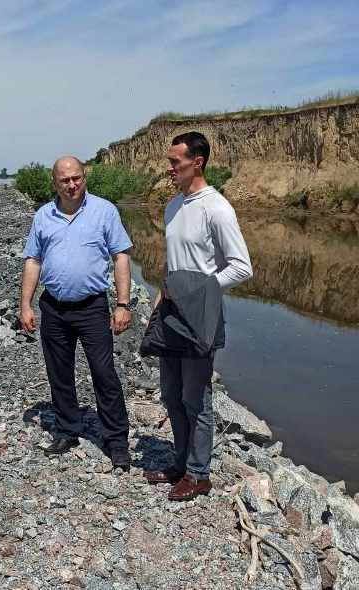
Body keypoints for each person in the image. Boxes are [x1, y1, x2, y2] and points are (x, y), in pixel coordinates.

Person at [144, 132, 252, 501]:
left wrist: (198, 292)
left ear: (198, 162)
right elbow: (171, 266)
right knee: (172, 396)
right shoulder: (173, 206)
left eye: (176, 162)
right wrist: (159, 303)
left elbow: (241, 267)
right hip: (171, 314)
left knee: (196, 398)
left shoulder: (217, 207)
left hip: (200, 317)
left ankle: (198, 474)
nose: (170, 168)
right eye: (170, 161)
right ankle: (180, 462)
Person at [20, 156, 135, 469]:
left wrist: (123, 304)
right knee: (59, 372)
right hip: (53, 307)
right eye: (64, 180)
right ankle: (67, 429)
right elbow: (33, 260)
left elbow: (120, 257)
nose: (71, 185)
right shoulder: (44, 215)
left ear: (84, 177)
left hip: (92, 307)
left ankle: (116, 441)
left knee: (103, 372)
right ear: (54, 183)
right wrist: (26, 304)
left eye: (77, 178)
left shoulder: (104, 211)